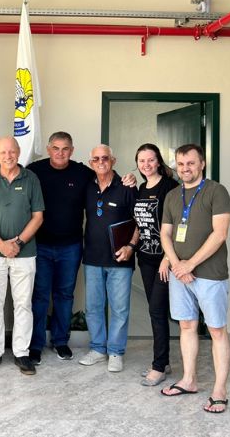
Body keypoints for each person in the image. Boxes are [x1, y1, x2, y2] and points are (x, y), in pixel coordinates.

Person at [159, 144, 230, 414]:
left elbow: (220, 234)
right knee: (187, 326)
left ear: (202, 163)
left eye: (190, 163)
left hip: (210, 275)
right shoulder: (171, 195)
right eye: (180, 164)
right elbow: (165, 234)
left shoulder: (216, 191)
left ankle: (219, 390)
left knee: (216, 331)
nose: (185, 169)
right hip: (181, 276)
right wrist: (178, 265)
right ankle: (189, 380)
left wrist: (190, 263)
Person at [0, 137, 44, 375]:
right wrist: (1, 245)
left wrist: (17, 242)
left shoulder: (31, 179)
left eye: (12, 151)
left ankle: (22, 354)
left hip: (24, 253)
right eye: (3, 152)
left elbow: (38, 216)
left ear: (18, 152)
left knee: (23, 304)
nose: (8, 156)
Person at [25, 132, 93, 363]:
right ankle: (35, 345)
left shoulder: (83, 173)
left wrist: (128, 181)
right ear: (48, 148)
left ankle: (60, 341)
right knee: (40, 296)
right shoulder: (35, 171)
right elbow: (10, 180)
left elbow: (106, 183)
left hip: (71, 246)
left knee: (64, 295)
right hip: (41, 246)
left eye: (65, 149)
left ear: (72, 150)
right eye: (56, 148)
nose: (60, 153)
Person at [79, 144, 138, 373]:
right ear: (91, 162)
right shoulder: (87, 187)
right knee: (93, 307)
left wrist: (131, 247)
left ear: (113, 160)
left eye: (105, 158)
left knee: (119, 308)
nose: (101, 162)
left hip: (120, 260)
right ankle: (97, 349)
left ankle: (115, 352)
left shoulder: (127, 186)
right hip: (93, 257)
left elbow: (139, 221)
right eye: (96, 159)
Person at [132, 143, 178, 386]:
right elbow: (141, 225)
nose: (146, 165)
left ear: (158, 161)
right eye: (142, 161)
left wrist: (168, 259)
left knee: (157, 310)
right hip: (146, 259)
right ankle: (165, 361)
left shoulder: (170, 187)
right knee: (156, 311)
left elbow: (178, 226)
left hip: (164, 260)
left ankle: (159, 367)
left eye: (150, 160)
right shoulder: (141, 187)